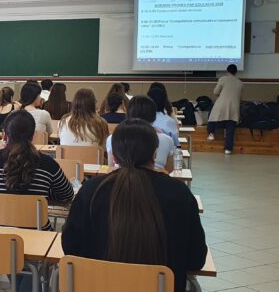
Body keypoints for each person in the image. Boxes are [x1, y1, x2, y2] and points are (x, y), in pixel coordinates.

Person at [62, 119, 206, 292]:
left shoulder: (91, 190)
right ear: (154, 155)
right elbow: (196, 258)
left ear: (113, 156)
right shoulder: (178, 192)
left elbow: (70, 246)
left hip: (97, 286)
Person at [0, 110, 73, 230]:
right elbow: (67, 194)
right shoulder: (48, 164)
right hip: (37, 236)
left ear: (5, 135)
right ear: (33, 135)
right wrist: (44, 191)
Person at [106, 96, 174, 171]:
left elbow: (111, 168)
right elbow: (169, 171)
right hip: (156, 181)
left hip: (120, 179)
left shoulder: (113, 138)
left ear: (128, 114)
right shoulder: (166, 140)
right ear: (154, 117)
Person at [207, 64, 243, 154]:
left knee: (213, 117)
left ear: (227, 71)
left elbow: (216, 92)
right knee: (230, 128)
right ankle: (228, 149)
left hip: (221, 104)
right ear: (236, 72)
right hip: (234, 107)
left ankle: (211, 133)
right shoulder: (240, 83)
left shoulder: (223, 79)